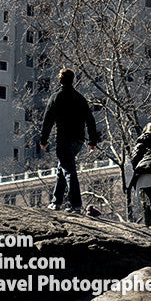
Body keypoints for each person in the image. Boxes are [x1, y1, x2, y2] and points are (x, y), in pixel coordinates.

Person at [40, 67, 99, 212]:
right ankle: (56, 201)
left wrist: (43, 139)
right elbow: (90, 120)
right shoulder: (80, 98)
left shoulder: (55, 97)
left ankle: (76, 204)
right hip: (78, 140)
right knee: (63, 168)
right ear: (73, 80)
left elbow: (47, 120)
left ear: (59, 80)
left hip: (63, 139)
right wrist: (92, 141)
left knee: (68, 170)